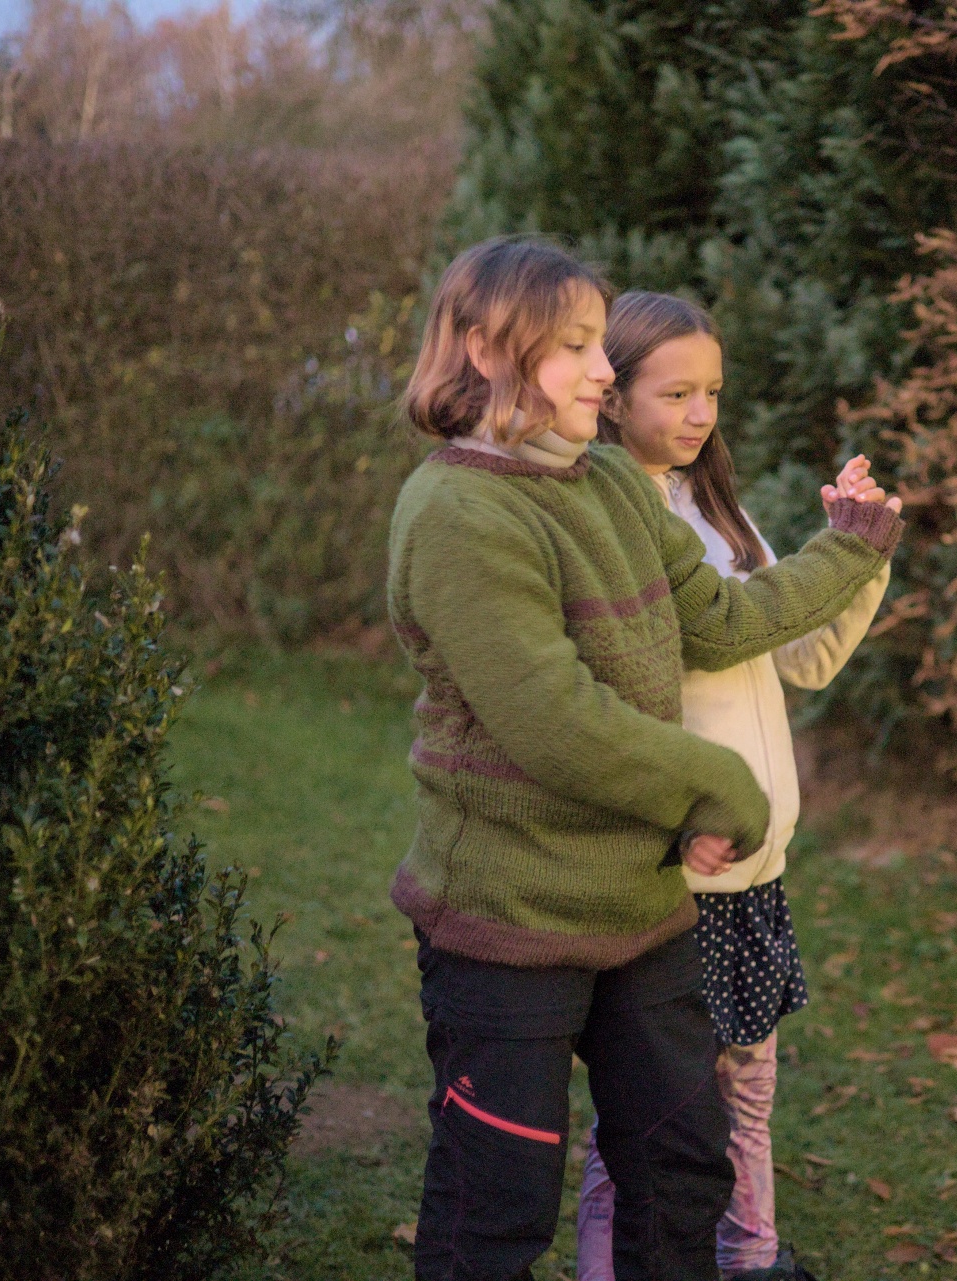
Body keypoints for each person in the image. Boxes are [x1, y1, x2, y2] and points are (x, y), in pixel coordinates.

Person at [387, 238, 903, 1281]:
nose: (603, 369)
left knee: (680, 1170)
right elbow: (557, 720)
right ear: (486, 351)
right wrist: (721, 788)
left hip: (643, 908)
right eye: (576, 346)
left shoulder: (615, 486)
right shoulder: (456, 511)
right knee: (497, 1210)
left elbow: (726, 620)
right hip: (511, 922)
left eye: (599, 344)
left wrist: (850, 550)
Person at [573, 291, 894, 1281]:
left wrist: (861, 555)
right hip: (675, 875)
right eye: (676, 393)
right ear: (612, 396)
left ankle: (750, 1258)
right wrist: (832, 559)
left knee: (748, 1093)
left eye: (712, 391)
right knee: (645, 1120)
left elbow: (803, 656)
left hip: (755, 871)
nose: (701, 413)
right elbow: (687, 655)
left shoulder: (716, 510)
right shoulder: (607, 519)